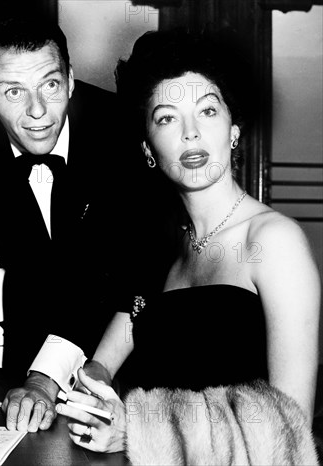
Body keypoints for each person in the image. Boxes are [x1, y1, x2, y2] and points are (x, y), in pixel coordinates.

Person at [57, 29, 320, 463]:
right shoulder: (164, 247)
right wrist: (88, 399)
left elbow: (288, 430)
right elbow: (100, 366)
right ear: (147, 149)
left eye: (208, 111)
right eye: (166, 118)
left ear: (233, 129)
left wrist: (136, 431)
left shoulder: (273, 241)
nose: (190, 133)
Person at [0, 18, 175, 431]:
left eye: (50, 85)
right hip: (26, 360)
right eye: (13, 92)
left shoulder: (123, 134)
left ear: (70, 80)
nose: (37, 111)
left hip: (127, 355)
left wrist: (46, 377)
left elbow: (112, 271)